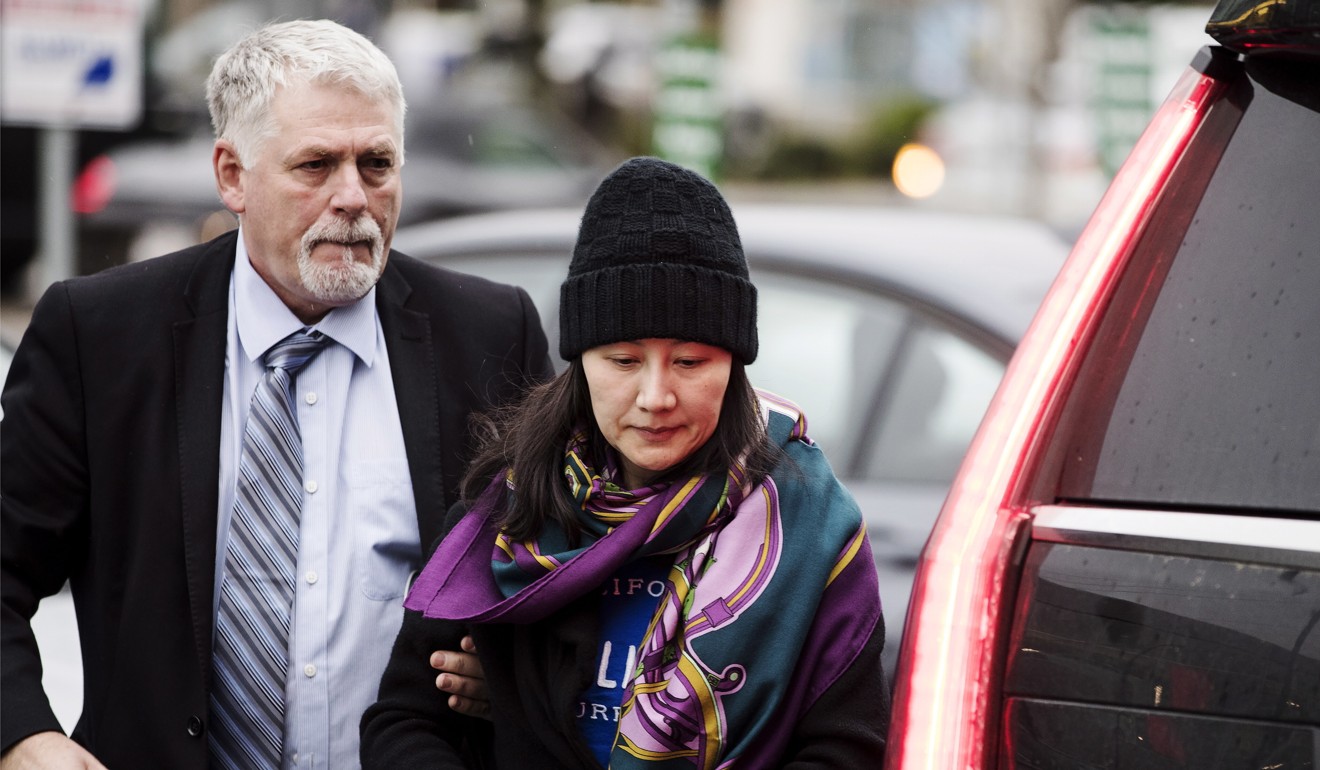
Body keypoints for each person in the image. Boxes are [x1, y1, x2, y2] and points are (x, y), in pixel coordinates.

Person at [0, 19, 550, 769]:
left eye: (377, 163)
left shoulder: (490, 332)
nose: (354, 197)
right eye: (317, 164)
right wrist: (24, 737)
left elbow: (562, 569)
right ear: (233, 175)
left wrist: (517, 671)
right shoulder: (99, 336)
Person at [361, 157, 890, 768]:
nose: (655, 397)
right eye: (622, 360)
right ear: (581, 362)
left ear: (735, 365)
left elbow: (846, 749)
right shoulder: (508, 517)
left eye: (690, 362)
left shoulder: (812, 531)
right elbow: (402, 723)